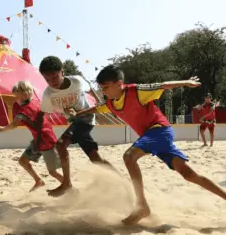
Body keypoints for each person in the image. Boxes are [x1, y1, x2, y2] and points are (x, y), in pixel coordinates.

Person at [73, 65, 226, 225]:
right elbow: (97, 109)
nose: (103, 91)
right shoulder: (111, 103)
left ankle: (141, 206)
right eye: (101, 87)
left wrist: (186, 82)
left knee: (129, 157)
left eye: (106, 87)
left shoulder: (136, 91)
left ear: (119, 84)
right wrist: (78, 114)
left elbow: (163, 85)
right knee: (189, 175)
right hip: (154, 137)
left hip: (159, 131)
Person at [38, 56, 115, 197]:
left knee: (61, 145)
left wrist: (100, 105)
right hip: (75, 122)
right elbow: (49, 111)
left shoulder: (77, 81)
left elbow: (91, 88)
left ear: (63, 71)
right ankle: (122, 180)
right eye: (47, 79)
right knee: (95, 158)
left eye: (54, 77)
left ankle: (67, 184)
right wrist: (65, 111)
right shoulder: (48, 93)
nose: (51, 82)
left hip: (86, 118)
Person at [0, 80, 63, 192]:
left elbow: (13, 125)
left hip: (46, 141)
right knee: (23, 161)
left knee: (53, 171)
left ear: (25, 94)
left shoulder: (24, 111)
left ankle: (69, 187)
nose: (16, 99)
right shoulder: (36, 102)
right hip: (39, 140)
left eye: (17, 96)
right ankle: (38, 181)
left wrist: (2, 129)